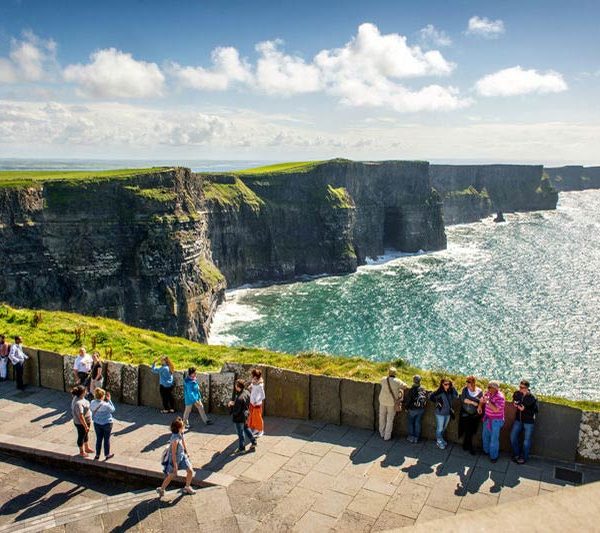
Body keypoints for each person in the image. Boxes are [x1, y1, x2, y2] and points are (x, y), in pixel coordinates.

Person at [156, 417, 196, 497]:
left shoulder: (180, 433)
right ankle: (162, 489)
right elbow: (173, 454)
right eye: (183, 427)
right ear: (178, 428)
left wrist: (186, 452)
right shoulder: (175, 440)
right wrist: (175, 466)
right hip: (175, 460)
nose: (184, 428)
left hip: (182, 456)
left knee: (190, 471)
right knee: (171, 475)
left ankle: (187, 487)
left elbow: (183, 442)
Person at [510, 380, 538, 464]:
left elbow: (536, 411)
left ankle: (524, 457)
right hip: (518, 419)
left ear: (527, 388)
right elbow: (514, 399)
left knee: (526, 441)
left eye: (522, 388)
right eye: (519, 387)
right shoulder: (517, 393)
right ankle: (516, 454)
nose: (520, 389)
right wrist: (515, 403)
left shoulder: (532, 398)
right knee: (512, 437)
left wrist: (524, 409)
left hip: (528, 421)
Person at [478, 380, 505, 463]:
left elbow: (496, 409)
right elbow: (482, 400)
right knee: (485, 436)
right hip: (487, 418)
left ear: (495, 388)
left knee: (494, 439)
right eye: (488, 386)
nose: (487, 388)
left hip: (496, 421)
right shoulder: (488, 393)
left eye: (489, 387)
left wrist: (487, 401)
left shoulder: (500, 397)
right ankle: (486, 451)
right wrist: (480, 406)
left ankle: (493, 456)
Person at [228, 379, 257, 454]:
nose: (235, 386)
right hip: (245, 415)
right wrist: (235, 403)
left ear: (238, 387)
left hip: (239, 418)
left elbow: (236, 412)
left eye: (235, 385)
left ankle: (242, 448)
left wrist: (231, 406)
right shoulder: (246, 392)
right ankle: (254, 441)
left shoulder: (239, 398)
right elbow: (242, 404)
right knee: (246, 428)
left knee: (240, 434)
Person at [378, 367, 406, 441]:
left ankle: (381, 433)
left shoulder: (383, 379)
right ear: (395, 374)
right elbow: (405, 386)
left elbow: (380, 382)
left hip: (382, 401)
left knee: (382, 416)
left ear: (389, 373)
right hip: (391, 403)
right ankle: (387, 436)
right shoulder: (397, 381)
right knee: (389, 419)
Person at [430, 377, 458, 449]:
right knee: (440, 428)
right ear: (442, 384)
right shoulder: (439, 391)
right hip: (440, 413)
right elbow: (430, 397)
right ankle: (439, 441)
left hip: (448, 413)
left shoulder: (451, 391)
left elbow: (456, 396)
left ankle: (441, 439)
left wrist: (453, 388)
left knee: (444, 428)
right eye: (445, 384)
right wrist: (438, 403)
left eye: (449, 384)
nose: (447, 385)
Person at [459, 376, 483, 454]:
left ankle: (465, 445)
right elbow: (463, 399)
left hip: (474, 415)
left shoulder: (479, 391)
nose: (467, 383)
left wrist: (479, 406)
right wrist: (473, 402)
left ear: (473, 382)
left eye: (469, 382)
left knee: (472, 431)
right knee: (468, 430)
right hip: (465, 414)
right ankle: (469, 447)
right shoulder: (465, 390)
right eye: (467, 381)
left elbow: (481, 401)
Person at [90, 387, 115, 461]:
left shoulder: (92, 402)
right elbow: (113, 409)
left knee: (99, 439)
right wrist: (109, 400)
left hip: (97, 423)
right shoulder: (106, 405)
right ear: (102, 396)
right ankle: (107, 454)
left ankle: (97, 455)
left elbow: (91, 409)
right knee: (106, 439)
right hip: (107, 423)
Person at [71, 385, 94, 457]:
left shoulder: (79, 398)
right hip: (81, 423)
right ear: (82, 393)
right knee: (81, 436)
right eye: (85, 391)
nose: (86, 391)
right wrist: (85, 426)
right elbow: (81, 416)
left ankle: (87, 447)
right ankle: (81, 451)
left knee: (85, 434)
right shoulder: (78, 403)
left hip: (86, 421)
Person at [404, 375, 428, 443]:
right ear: (420, 381)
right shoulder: (423, 388)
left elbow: (408, 400)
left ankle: (411, 437)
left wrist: (406, 408)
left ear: (413, 380)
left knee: (411, 423)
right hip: (421, 409)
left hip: (413, 409)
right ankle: (417, 437)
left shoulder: (412, 389)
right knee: (418, 423)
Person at [248, 368, 265, 437]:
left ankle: (261, 430)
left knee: (258, 417)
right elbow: (252, 386)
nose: (252, 378)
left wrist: (256, 401)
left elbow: (263, 396)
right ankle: (256, 429)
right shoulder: (254, 382)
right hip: (252, 402)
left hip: (257, 404)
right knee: (253, 417)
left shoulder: (260, 385)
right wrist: (250, 386)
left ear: (256, 377)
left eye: (253, 376)